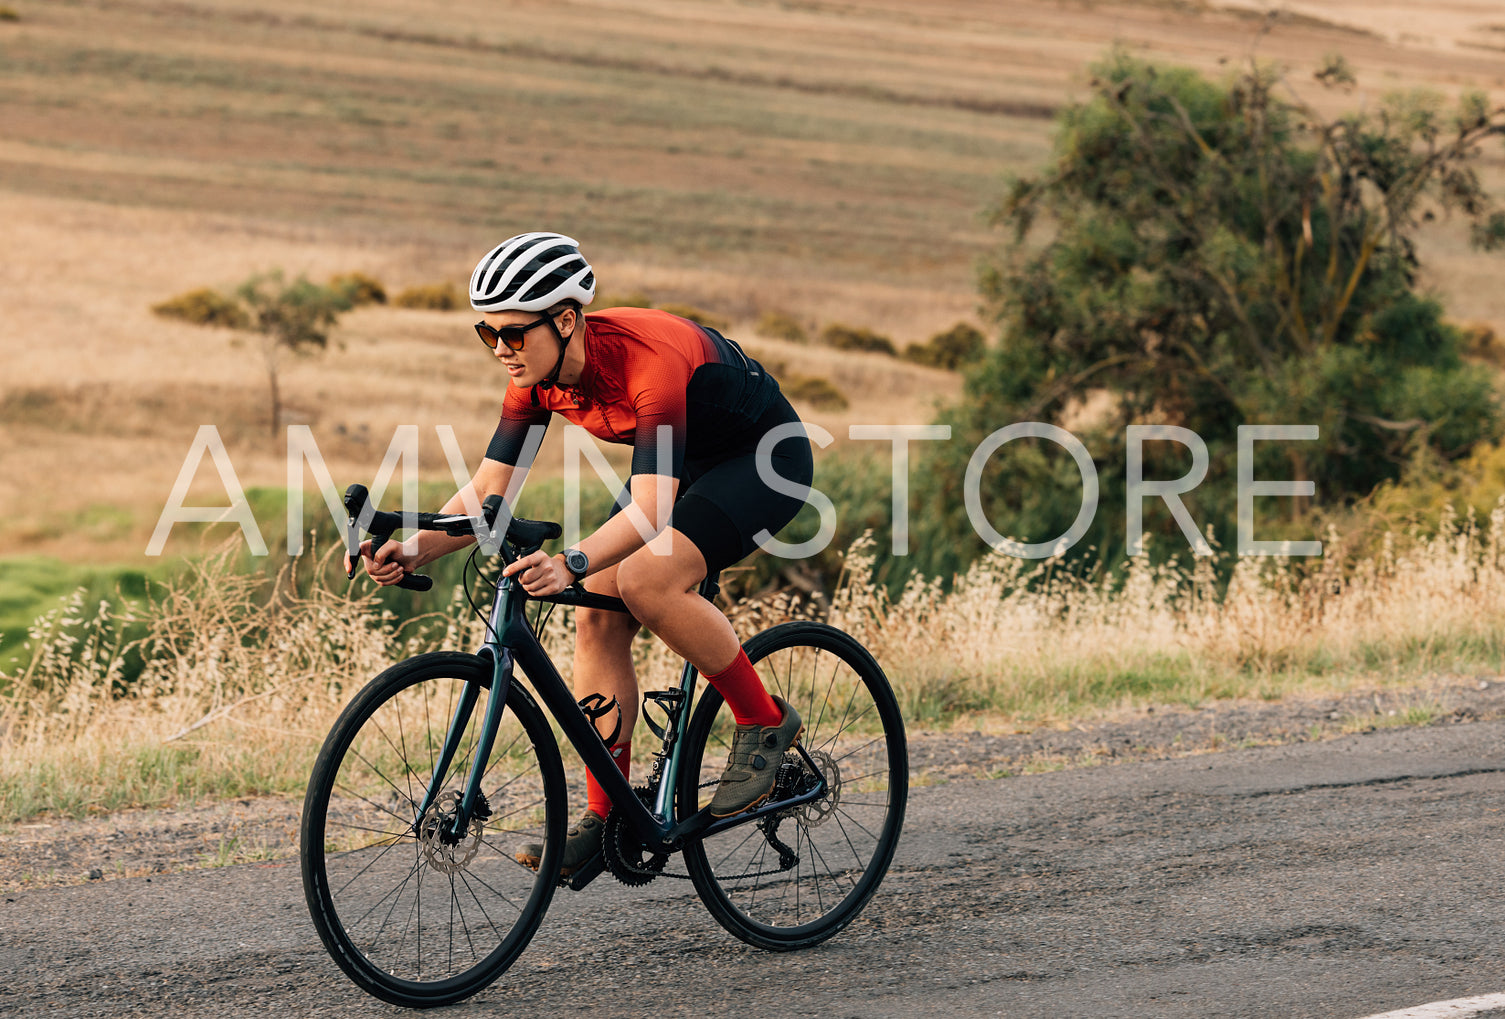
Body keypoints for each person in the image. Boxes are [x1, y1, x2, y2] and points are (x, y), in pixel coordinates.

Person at [353, 231, 814, 875]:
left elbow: (650, 512)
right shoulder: (535, 377)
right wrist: (414, 548)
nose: (502, 351)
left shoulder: (648, 363)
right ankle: (608, 819)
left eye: (514, 333)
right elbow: (490, 491)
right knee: (595, 613)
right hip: (681, 459)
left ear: (566, 320)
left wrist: (571, 561)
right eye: (488, 335)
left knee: (647, 581)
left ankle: (762, 721)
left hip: (763, 458)